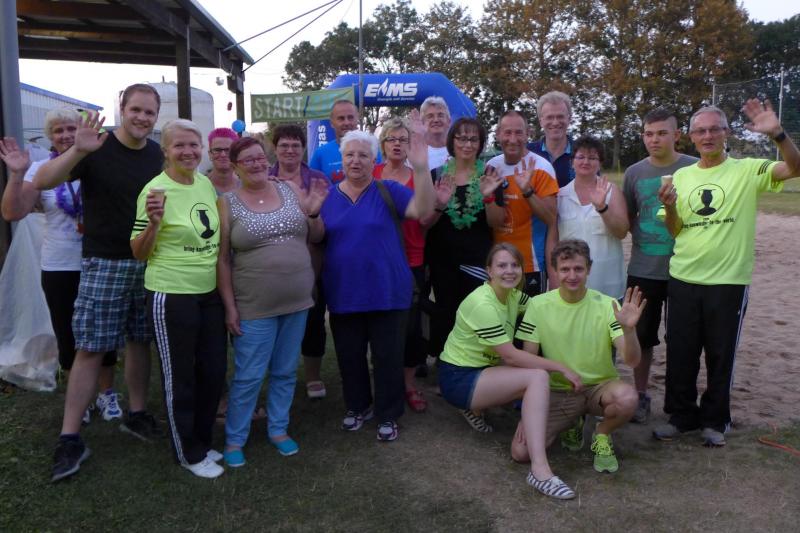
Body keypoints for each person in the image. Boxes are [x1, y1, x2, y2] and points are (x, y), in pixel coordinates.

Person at [34, 84, 164, 482]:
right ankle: (70, 436)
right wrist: (77, 150)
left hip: (148, 261)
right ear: (122, 109)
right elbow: (43, 181)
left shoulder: (157, 154)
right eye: (136, 109)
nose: (142, 117)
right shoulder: (95, 146)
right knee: (91, 347)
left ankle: (136, 414)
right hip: (104, 262)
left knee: (139, 341)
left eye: (149, 112)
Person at [654, 100, 800, 446]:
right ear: (691, 137)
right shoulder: (681, 176)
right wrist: (669, 207)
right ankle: (681, 417)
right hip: (684, 277)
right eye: (700, 131)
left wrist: (778, 135)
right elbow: (674, 230)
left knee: (721, 354)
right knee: (681, 352)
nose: (707, 136)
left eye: (714, 129)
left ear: (726, 133)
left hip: (728, 281)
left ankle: (715, 421)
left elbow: (795, 168)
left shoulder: (747, 170)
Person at [319, 110, 434, 442]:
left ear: (374, 160)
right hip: (344, 291)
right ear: (342, 159)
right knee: (350, 355)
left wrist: (421, 168)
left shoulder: (389, 190)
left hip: (388, 290)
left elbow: (423, 210)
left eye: (363, 155)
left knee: (387, 357)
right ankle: (357, 407)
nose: (356, 161)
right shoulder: (327, 196)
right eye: (350, 155)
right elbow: (316, 236)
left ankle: (388, 414)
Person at [1, 109, 121, 424]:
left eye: (71, 128)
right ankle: (79, 397)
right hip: (60, 264)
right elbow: (13, 212)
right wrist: (17, 174)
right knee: (67, 333)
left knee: (104, 330)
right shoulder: (41, 169)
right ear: (50, 137)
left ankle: (106, 393)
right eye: (58, 131)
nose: (66, 135)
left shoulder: (99, 163)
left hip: (100, 260)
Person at [218, 136, 327, 466]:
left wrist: (313, 214)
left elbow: (317, 236)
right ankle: (235, 437)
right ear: (235, 167)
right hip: (253, 304)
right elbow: (222, 259)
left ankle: (278, 428)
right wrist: (230, 307)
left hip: (297, 300)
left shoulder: (289, 189)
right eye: (247, 160)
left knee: (285, 371)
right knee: (249, 375)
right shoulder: (227, 202)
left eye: (259, 158)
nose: (256, 164)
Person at [438, 243, 579, 500]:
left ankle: (476, 407)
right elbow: (511, 356)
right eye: (502, 265)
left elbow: (540, 307)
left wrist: (574, 305)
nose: (510, 271)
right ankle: (540, 470)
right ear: (488, 271)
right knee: (537, 376)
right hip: (458, 377)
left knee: (534, 375)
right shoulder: (482, 303)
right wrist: (560, 366)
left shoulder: (513, 295)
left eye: (515, 265)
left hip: (484, 369)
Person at [130, 119, 226, 478]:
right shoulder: (155, 191)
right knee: (179, 376)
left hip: (208, 292)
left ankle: (201, 440)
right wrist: (154, 224)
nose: (188, 152)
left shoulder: (204, 183)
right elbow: (139, 252)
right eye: (179, 145)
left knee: (213, 371)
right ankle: (187, 452)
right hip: (171, 293)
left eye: (193, 145)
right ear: (166, 150)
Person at [513, 239, 644, 475]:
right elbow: (528, 361)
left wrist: (629, 330)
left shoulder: (607, 304)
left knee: (627, 398)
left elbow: (632, 361)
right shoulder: (538, 305)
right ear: (555, 270)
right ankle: (573, 422)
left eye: (578, 268)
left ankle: (601, 433)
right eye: (565, 269)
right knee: (521, 452)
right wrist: (527, 412)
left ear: (589, 269)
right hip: (559, 390)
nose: (572, 276)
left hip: (599, 388)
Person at [623, 107, 697, 423]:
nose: (655, 139)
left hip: (686, 268)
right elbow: (626, 218)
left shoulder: (693, 167)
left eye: (662, 133)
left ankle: (679, 401)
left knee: (683, 339)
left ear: (676, 135)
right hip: (643, 269)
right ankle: (640, 395)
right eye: (649, 134)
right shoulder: (634, 173)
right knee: (641, 336)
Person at [424, 118, 505, 387]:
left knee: (475, 313)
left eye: (473, 139)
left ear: (481, 144)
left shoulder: (489, 174)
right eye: (461, 138)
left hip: (477, 258)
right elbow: (425, 221)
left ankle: (475, 369)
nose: (467, 144)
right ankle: (446, 368)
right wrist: (439, 202)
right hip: (442, 258)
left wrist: (489, 196)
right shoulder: (437, 175)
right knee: (446, 312)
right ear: (452, 141)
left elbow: (497, 222)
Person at [268, 124, 331, 400]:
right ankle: (279, 376)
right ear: (275, 148)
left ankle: (313, 376)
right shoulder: (265, 179)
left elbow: (326, 225)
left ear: (304, 149)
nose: (290, 150)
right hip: (273, 263)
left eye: (295, 145)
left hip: (311, 260)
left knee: (313, 321)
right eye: (284, 145)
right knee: (275, 323)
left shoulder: (317, 179)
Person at [373, 117, 429, 412]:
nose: (397, 144)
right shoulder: (371, 173)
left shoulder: (419, 175)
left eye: (402, 139)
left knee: (410, 327)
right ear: (382, 144)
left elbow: (426, 217)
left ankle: (408, 384)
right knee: (379, 324)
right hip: (377, 260)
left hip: (411, 258)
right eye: (391, 139)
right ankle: (382, 380)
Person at [488, 111, 559, 296]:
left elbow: (551, 219)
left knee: (530, 315)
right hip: (498, 265)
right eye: (507, 132)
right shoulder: (491, 167)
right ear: (498, 134)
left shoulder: (541, 167)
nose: (513, 139)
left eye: (519, 132)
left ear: (528, 133)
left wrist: (527, 191)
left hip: (530, 265)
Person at [556, 136, 628, 299]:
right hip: (571, 284)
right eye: (580, 157)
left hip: (608, 284)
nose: (586, 162)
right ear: (572, 162)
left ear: (600, 163)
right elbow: (554, 239)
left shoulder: (612, 191)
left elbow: (622, 232)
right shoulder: (560, 195)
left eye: (592, 158)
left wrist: (602, 208)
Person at [529, 91, 576, 288]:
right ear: (541, 120)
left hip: (571, 234)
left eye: (560, 116)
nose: (555, 122)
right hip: (535, 239)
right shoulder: (527, 153)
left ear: (569, 118)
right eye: (549, 117)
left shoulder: (581, 153)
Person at [309, 100, 359, 183]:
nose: (346, 122)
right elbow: (311, 186)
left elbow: (379, 184)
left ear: (357, 120)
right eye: (341, 118)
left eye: (350, 117)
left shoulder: (371, 150)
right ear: (332, 123)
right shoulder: (320, 154)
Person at [420, 96, 451, 170]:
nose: (436, 120)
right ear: (422, 123)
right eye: (430, 116)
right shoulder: (416, 153)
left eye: (440, 115)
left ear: (449, 121)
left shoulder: (460, 150)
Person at [207, 127, 240, 195]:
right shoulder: (200, 186)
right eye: (217, 150)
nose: (223, 155)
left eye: (228, 150)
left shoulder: (247, 186)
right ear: (210, 154)